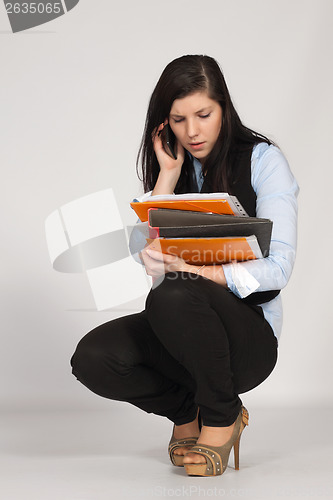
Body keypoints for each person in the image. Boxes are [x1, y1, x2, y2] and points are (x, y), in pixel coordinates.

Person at [70, 55, 299, 477]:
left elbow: (279, 269)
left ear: (224, 110)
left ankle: (222, 414)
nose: (192, 131)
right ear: (165, 124)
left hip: (246, 343)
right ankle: (186, 409)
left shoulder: (264, 162)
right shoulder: (174, 168)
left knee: (176, 289)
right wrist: (167, 179)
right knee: (93, 357)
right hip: (181, 328)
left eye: (204, 115)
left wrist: (203, 273)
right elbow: (157, 274)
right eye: (178, 119)